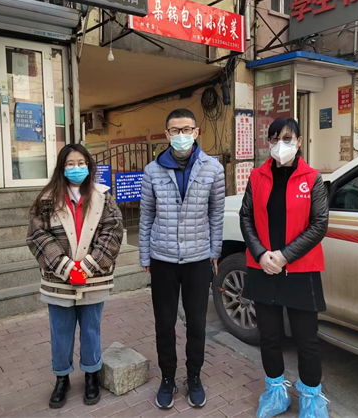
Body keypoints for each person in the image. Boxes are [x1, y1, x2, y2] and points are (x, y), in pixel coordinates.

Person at [239, 118, 329, 418]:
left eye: (287, 138)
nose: (281, 144)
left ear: (299, 142)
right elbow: (246, 217)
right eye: (275, 138)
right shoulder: (257, 177)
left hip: (301, 270)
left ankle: (311, 398)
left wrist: (285, 256)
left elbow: (319, 224)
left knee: (306, 339)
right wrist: (261, 254)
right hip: (263, 267)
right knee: (269, 336)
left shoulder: (312, 178)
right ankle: (276, 392)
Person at [27, 144, 123, 409]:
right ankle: (62, 378)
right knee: (61, 332)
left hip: (93, 278)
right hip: (59, 280)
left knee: (91, 330)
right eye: (70, 164)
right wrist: (66, 267)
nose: (76, 168)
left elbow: (113, 232)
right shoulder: (46, 200)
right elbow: (37, 235)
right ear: (62, 167)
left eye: (81, 163)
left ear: (89, 166)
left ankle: (91, 375)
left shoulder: (103, 196)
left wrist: (88, 266)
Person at [140, 109, 225, 410]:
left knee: (197, 324)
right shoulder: (152, 171)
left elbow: (216, 214)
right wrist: (144, 254)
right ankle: (167, 378)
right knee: (164, 323)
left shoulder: (213, 169)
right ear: (167, 134)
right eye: (175, 130)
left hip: (198, 259)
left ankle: (194, 377)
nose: (181, 135)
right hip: (162, 259)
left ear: (196, 132)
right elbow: (146, 215)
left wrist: (214, 253)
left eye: (186, 129)